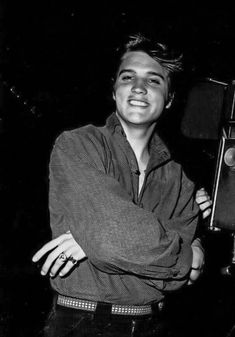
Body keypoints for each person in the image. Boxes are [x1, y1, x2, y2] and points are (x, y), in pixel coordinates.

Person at [32, 33, 212, 337]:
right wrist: (186, 254)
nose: (139, 87)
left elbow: (186, 275)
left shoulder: (179, 180)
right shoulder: (78, 145)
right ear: (114, 90)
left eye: (154, 80)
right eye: (128, 77)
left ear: (169, 99)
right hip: (81, 322)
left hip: (153, 323)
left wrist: (91, 240)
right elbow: (112, 239)